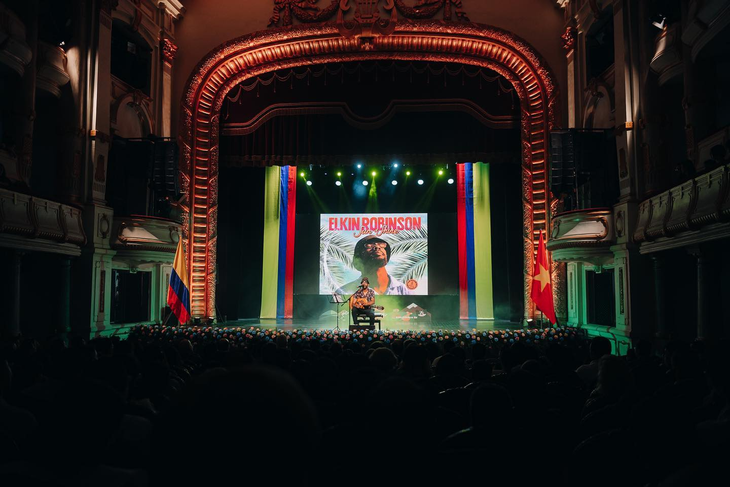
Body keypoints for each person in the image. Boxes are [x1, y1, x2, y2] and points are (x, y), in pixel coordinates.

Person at [336, 235, 412, 295]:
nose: (377, 247)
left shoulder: (405, 291)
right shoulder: (343, 292)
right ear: (358, 258)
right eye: (369, 245)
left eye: (381, 245)